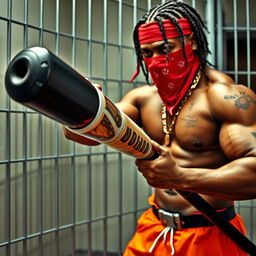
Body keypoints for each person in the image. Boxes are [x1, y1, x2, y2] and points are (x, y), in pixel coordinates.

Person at [63, 1, 256, 255]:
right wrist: (78, 108)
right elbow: (93, 133)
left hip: (210, 232)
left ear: (192, 42)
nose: (155, 60)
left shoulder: (225, 97)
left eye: (165, 48)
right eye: (147, 53)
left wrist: (180, 178)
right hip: (155, 229)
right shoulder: (144, 98)